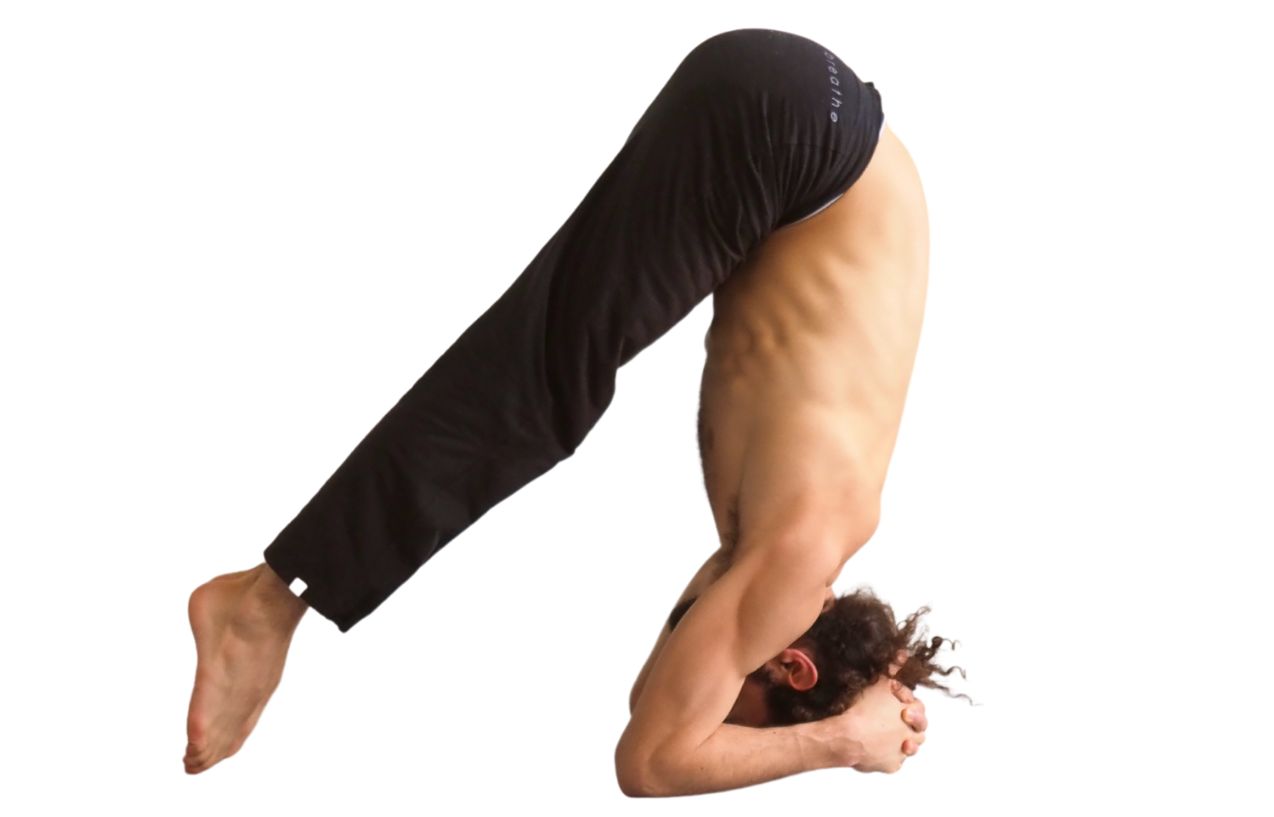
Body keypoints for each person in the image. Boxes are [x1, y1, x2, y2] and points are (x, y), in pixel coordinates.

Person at [184, 27, 951, 793]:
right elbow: (650, 760)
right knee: (548, 385)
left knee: (557, 375)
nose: (712, 701)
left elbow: (648, 702)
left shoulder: (775, 545)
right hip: (800, 132)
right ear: (791, 661)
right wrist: (843, 739)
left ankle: (276, 593)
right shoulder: (795, 554)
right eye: (736, 708)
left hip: (809, 123)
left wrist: (857, 683)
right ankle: (263, 603)